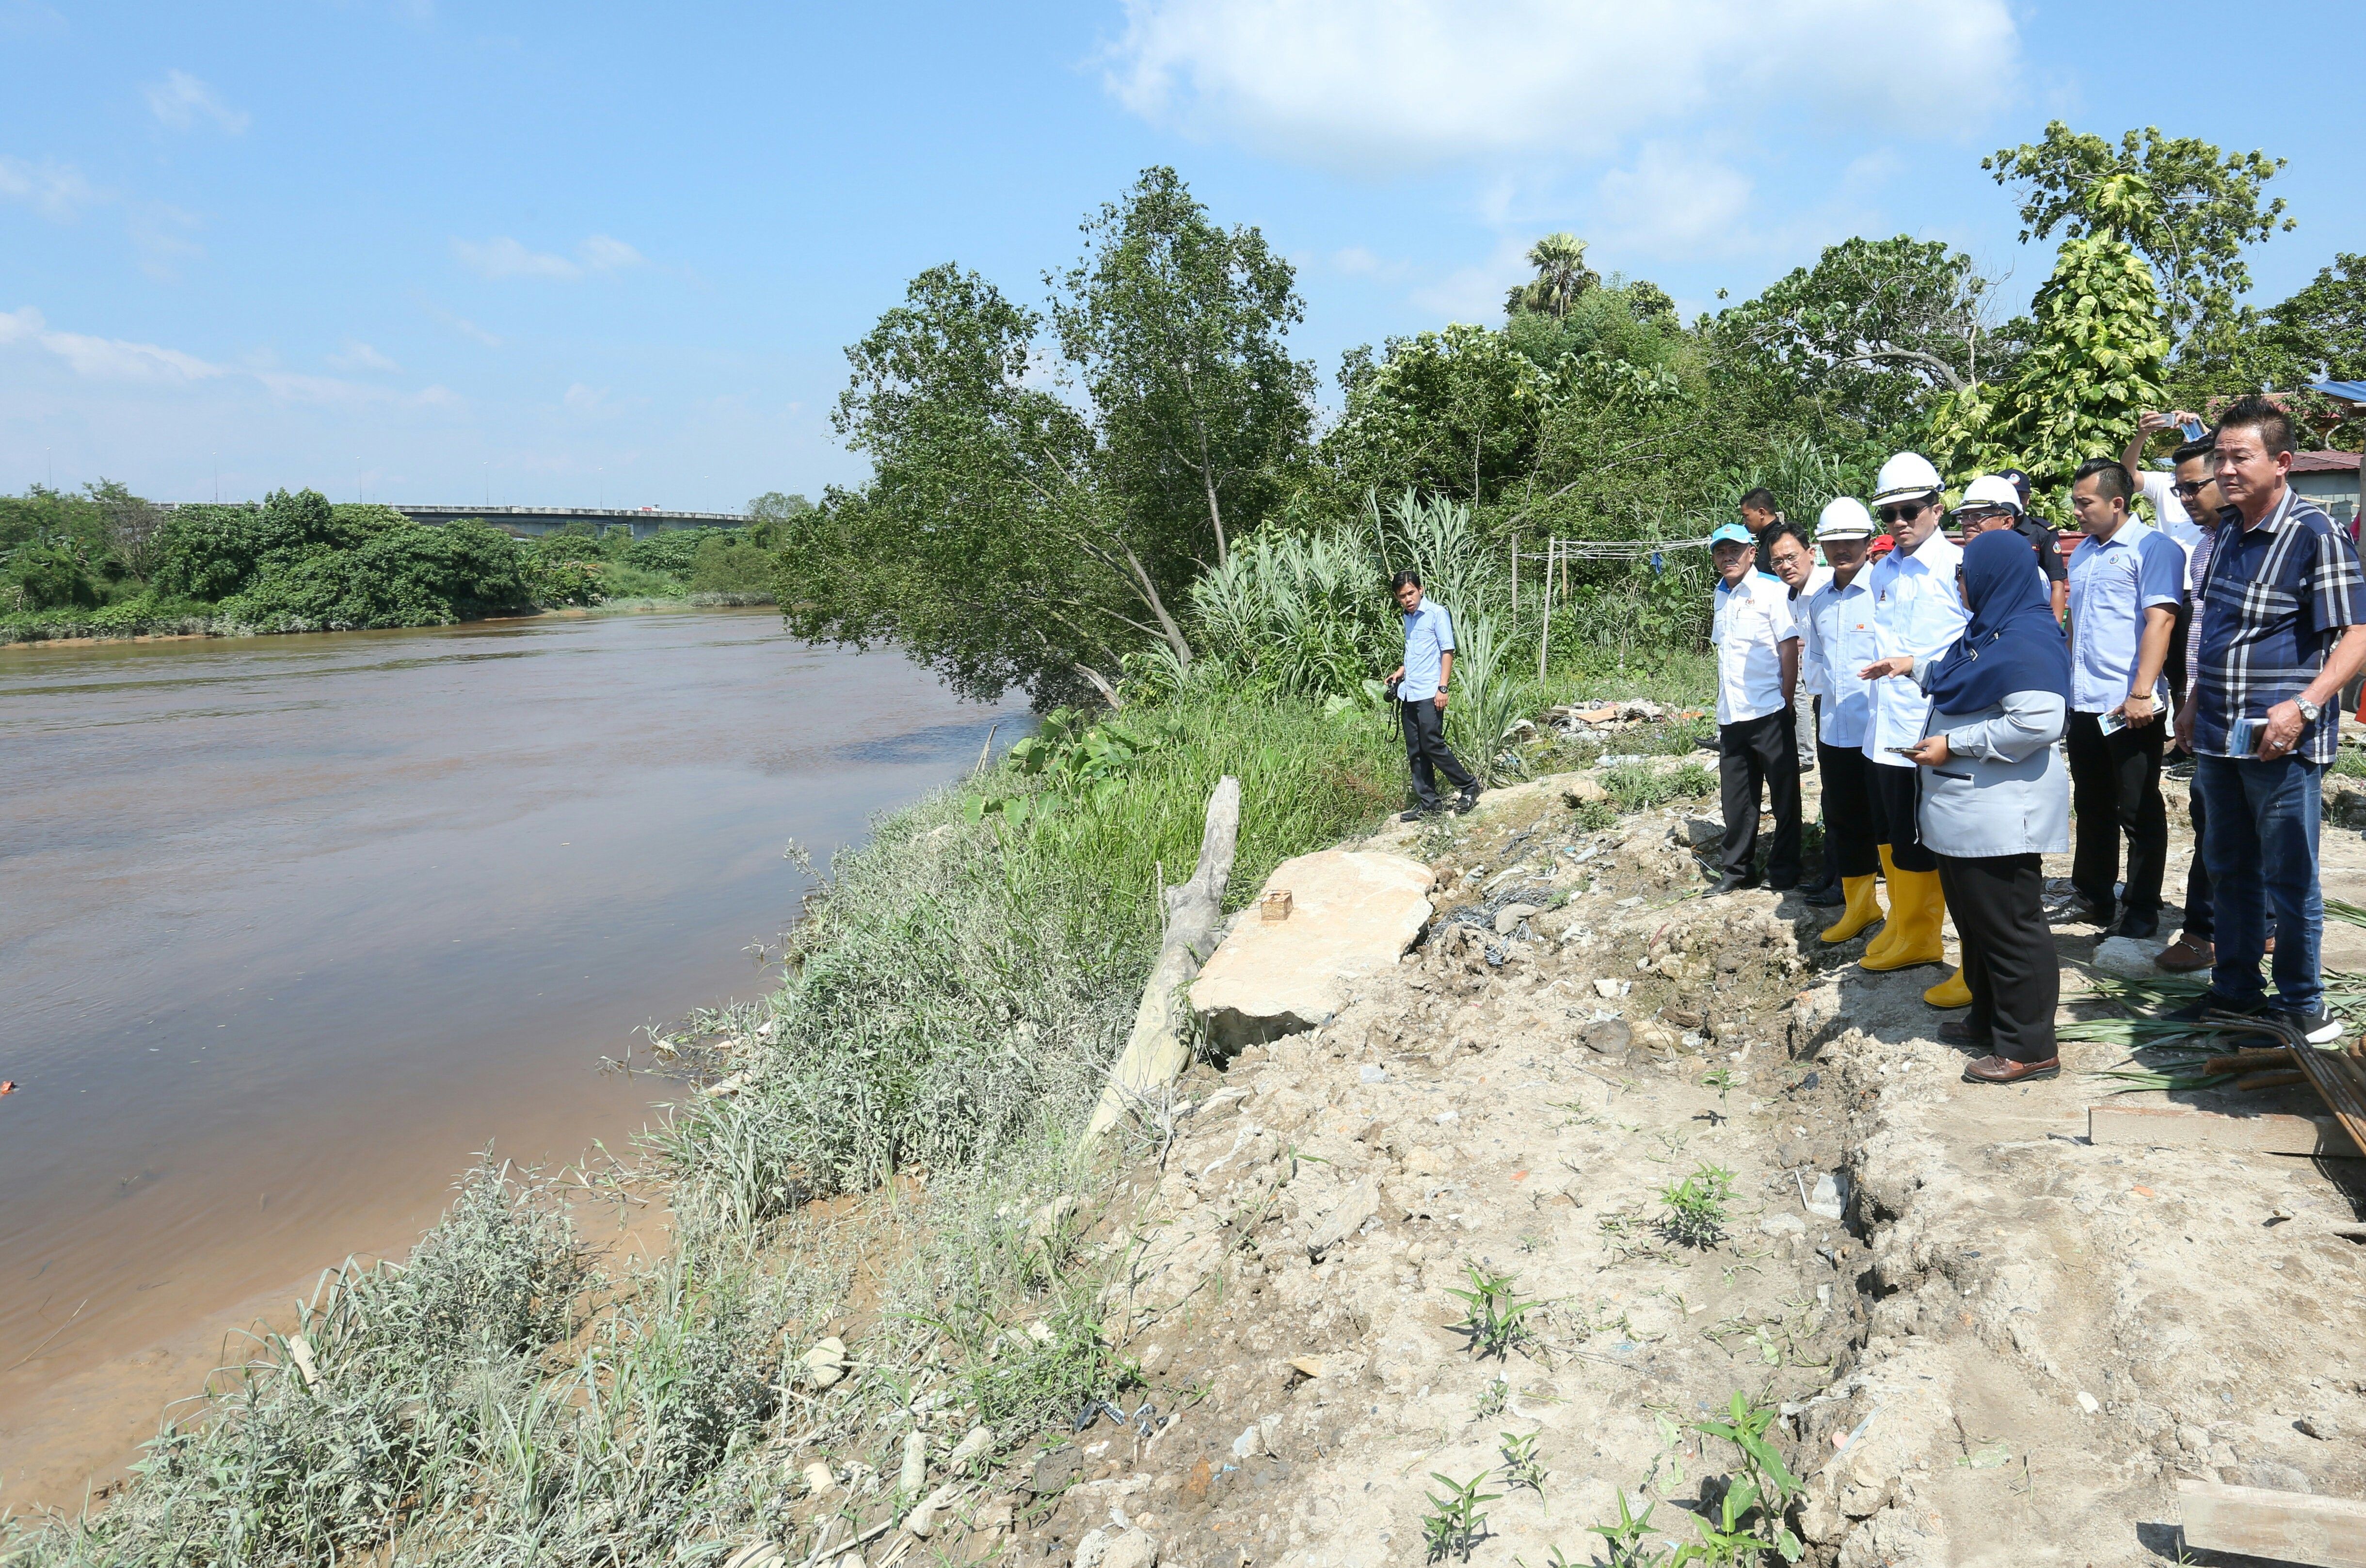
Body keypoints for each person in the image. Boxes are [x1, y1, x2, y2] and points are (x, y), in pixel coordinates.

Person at [2166, 398, 2366, 1043]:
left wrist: (2307, 705)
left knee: (2290, 876)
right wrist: (2195, 701)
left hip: (2282, 740)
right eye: (2220, 456)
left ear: (2281, 463)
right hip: (2222, 734)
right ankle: (2235, 991)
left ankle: (2303, 1004)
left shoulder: (2313, 532)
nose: (2225, 469)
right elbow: (2215, 628)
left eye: (2238, 456)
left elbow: (2357, 632)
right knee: (2228, 867)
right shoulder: (2226, 529)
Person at [1864, 531, 2073, 1083]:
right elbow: (1963, 679)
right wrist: (1909, 666)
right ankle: (1988, 1018)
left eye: (1965, 573)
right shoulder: (1988, 631)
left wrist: (1953, 744)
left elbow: (2039, 721)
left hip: (1999, 813)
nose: (1959, 582)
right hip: (1964, 810)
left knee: (2009, 927)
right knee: (1977, 926)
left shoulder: (2027, 637)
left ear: (1992, 576)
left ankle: (2030, 1047)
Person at [2062, 457, 2184, 940]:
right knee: (2091, 803)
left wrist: (2140, 692)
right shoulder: (2084, 553)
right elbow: (2078, 627)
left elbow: (2160, 621)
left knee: (2137, 810)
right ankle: (2092, 896)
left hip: (2128, 707)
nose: (2076, 512)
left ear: (2116, 502)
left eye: (2083, 503)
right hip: (2085, 702)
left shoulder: (2153, 548)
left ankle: (2139, 909)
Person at [1855, 452, 1966, 982]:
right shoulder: (1883, 571)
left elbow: (1976, 647)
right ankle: (1905, 926)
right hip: (1885, 724)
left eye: (1910, 511)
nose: (1899, 522)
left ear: (1936, 508)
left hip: (1932, 724)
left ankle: (1924, 935)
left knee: (1931, 837)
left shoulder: (1955, 568)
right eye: (1889, 514)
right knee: (1897, 830)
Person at [2158, 434, 2228, 975]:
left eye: (2192, 488)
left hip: (2258, 710)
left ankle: (2208, 931)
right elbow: (2203, 638)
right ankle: (2208, 928)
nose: (2184, 499)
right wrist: (2187, 702)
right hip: (2209, 703)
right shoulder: (2204, 545)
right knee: (2211, 813)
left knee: (2236, 821)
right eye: (2178, 490)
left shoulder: (2276, 538)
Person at [1797, 498, 1884, 936]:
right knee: (1844, 817)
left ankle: (1907, 916)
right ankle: (1858, 905)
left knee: (1888, 822)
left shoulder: (1885, 591)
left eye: (1851, 540)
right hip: (1834, 727)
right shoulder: (1819, 601)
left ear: (1868, 541)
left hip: (1880, 729)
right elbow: (1815, 663)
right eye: (1833, 542)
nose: (1842, 549)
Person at [1707, 521, 1802, 893]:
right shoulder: (1721, 595)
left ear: (1751, 552)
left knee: (1784, 798)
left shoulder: (1771, 590)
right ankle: (1737, 872)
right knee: (1736, 801)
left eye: (1734, 550)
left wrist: (1788, 700)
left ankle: (1785, 872)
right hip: (1731, 716)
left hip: (1769, 710)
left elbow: (1788, 647)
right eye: (1720, 551)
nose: (1727, 557)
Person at [1386, 570, 1478, 821]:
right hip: (1410, 692)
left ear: (1421, 589)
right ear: (1398, 598)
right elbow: (1417, 652)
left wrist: (1443, 688)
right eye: (1403, 596)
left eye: (1411, 593)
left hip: (1430, 691)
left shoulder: (1437, 613)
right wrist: (1401, 671)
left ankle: (1469, 786)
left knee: (1432, 744)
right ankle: (1429, 803)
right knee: (1415, 749)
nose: (1408, 599)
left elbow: (1447, 651)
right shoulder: (1409, 618)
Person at [1766, 521, 1830, 783]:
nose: (1785, 566)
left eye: (1791, 557)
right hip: (1823, 697)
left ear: (1811, 552)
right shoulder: (1792, 595)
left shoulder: (1828, 587)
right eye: (1777, 562)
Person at [1740, 486, 1782, 575]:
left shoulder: (1777, 540)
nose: (1744, 521)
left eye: (1746, 516)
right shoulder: (1769, 538)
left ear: (1761, 513)